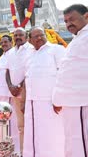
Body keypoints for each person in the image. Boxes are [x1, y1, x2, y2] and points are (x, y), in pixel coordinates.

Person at [22, 27, 65, 157]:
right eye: (35, 36)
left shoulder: (56, 50)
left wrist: (59, 99)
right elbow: (27, 79)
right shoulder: (29, 55)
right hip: (32, 103)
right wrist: (25, 102)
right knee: (33, 134)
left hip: (50, 103)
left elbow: (63, 75)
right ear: (29, 40)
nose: (39, 38)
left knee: (51, 135)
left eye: (41, 35)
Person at [52, 4, 88, 157]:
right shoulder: (77, 39)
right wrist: (57, 98)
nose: (68, 24)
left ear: (86, 16)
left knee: (81, 144)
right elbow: (66, 72)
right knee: (72, 142)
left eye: (72, 19)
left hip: (81, 101)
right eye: (66, 21)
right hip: (71, 102)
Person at [5, 27, 34, 154]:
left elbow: (30, 70)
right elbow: (7, 71)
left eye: (20, 35)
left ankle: (32, 151)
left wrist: (20, 87)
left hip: (28, 92)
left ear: (26, 36)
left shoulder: (31, 50)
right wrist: (11, 86)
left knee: (31, 123)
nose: (17, 37)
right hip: (14, 93)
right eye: (15, 35)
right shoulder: (10, 52)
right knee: (20, 125)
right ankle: (23, 152)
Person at [0, 35, 20, 155]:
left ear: (11, 42)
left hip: (8, 94)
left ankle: (15, 149)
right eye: (1, 43)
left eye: (5, 42)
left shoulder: (14, 54)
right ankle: (2, 148)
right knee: (1, 123)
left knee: (12, 123)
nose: (3, 44)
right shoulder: (3, 56)